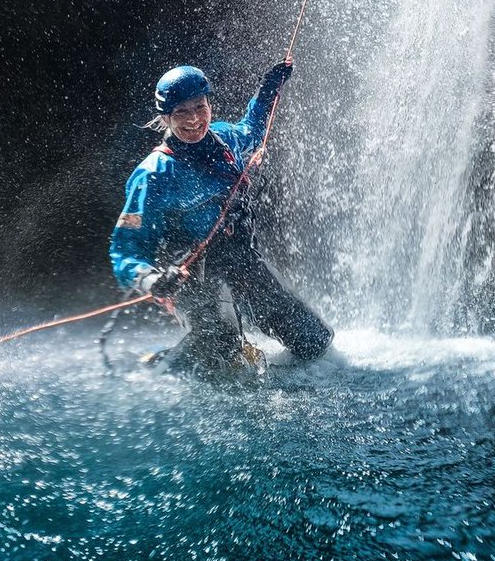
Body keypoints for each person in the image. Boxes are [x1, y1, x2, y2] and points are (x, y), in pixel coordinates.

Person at [109, 59, 334, 375]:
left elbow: (254, 128)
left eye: (200, 107)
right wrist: (151, 279)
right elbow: (125, 249)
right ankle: (156, 372)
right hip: (193, 277)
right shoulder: (153, 176)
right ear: (165, 118)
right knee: (223, 341)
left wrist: (268, 88)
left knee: (314, 341)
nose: (194, 119)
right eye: (181, 112)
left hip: (243, 262)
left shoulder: (226, 139)